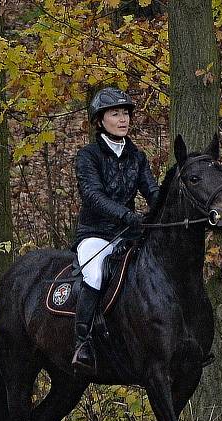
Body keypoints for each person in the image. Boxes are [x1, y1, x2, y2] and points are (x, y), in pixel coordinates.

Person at [71, 87, 160, 372]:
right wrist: (126, 214)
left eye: (125, 114)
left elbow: (153, 191)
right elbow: (93, 197)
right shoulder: (88, 156)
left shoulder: (137, 156)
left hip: (130, 234)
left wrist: (164, 211)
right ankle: (82, 343)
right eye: (115, 114)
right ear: (100, 120)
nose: (123, 120)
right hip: (96, 233)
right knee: (95, 273)